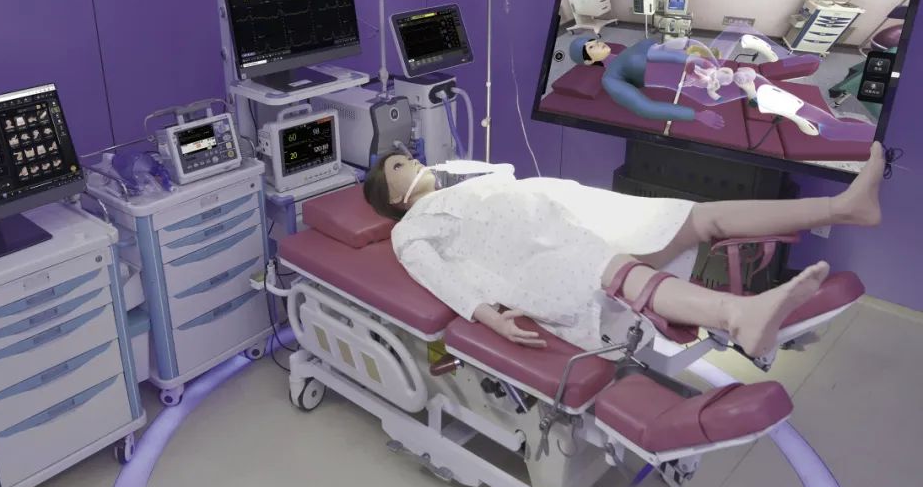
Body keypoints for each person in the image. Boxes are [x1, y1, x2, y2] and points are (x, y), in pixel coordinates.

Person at [362, 143, 885, 357]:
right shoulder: (409, 230)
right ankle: (738, 315)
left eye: (408, 155)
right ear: (392, 197)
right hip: (534, 258)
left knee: (698, 216)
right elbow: (439, 277)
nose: (412, 159)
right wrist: (489, 317)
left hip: (569, 210)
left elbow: (504, 171)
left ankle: (844, 207)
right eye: (399, 166)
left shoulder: (458, 181)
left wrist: (449, 169)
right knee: (614, 268)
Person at [571, 35, 726, 129]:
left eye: (596, 41)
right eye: (592, 47)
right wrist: (697, 115)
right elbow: (645, 108)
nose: (599, 44)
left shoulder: (626, 51)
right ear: (588, 61)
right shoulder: (610, 78)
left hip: (689, 69)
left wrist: (695, 60)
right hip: (685, 80)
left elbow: (660, 54)